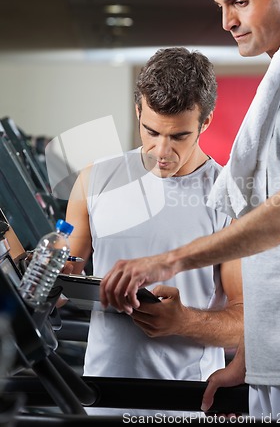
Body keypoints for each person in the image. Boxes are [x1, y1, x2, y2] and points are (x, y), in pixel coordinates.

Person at [99, 0, 280, 423]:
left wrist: (169, 261)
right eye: (221, 5)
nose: (226, 21)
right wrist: (249, 359)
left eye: (240, 2)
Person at [65, 47, 243, 403]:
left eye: (178, 136)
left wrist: (183, 322)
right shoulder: (94, 179)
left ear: (204, 123)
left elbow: (245, 325)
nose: (161, 150)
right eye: (151, 131)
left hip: (184, 399)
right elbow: (64, 277)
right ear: (138, 112)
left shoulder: (231, 199)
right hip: (100, 393)